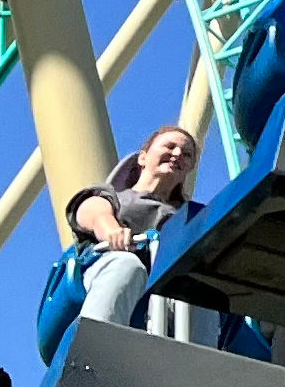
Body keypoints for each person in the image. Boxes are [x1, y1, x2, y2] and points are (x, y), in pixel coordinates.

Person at [67, 125, 216, 339]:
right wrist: (111, 230)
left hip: (166, 292)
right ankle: (96, 345)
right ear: (143, 158)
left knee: (198, 289)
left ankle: (199, 362)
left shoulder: (186, 217)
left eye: (186, 154)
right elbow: (93, 212)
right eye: (170, 146)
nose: (177, 154)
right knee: (127, 266)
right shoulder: (114, 196)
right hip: (105, 268)